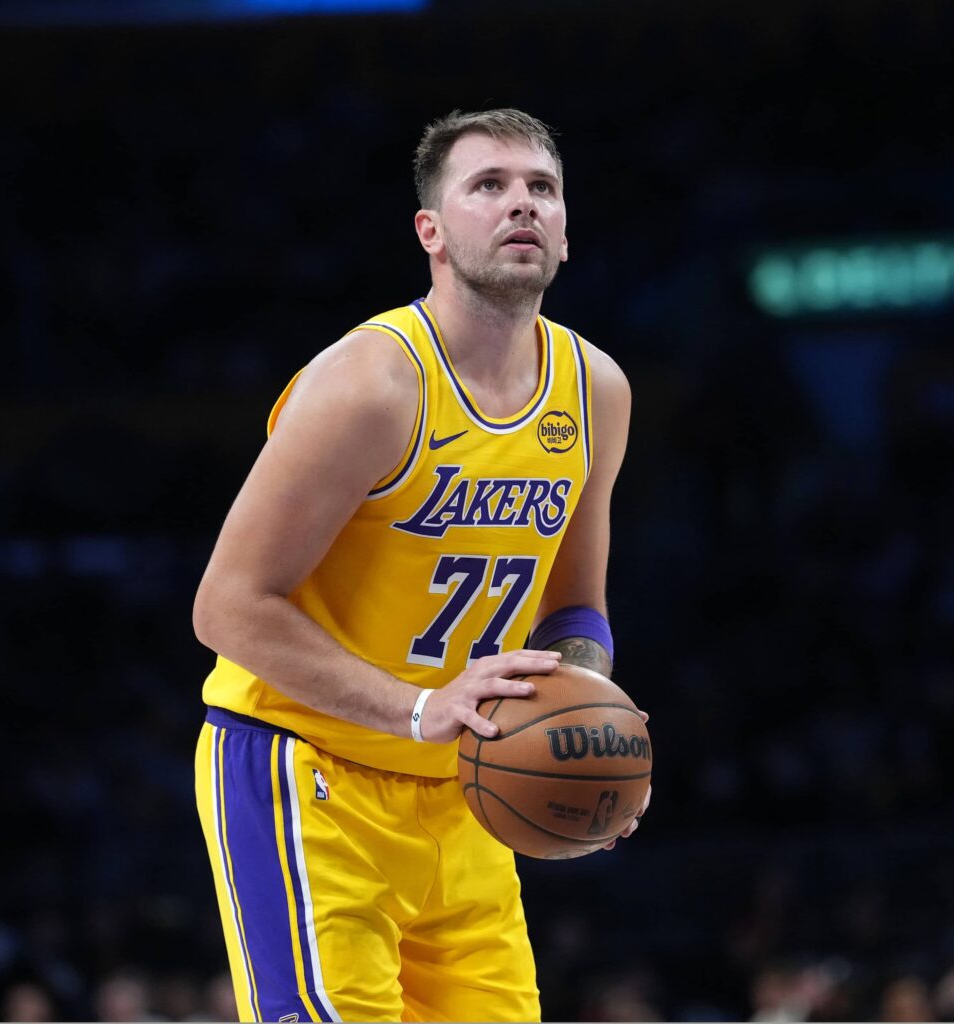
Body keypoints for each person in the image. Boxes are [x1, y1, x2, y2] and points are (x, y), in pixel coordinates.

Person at [192, 107, 643, 1022]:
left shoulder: (596, 389)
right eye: (489, 186)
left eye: (541, 189)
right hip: (305, 770)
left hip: (463, 786)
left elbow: (575, 612)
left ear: (564, 234)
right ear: (430, 233)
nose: (521, 204)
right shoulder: (371, 384)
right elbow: (228, 607)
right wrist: (418, 708)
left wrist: (589, 727)